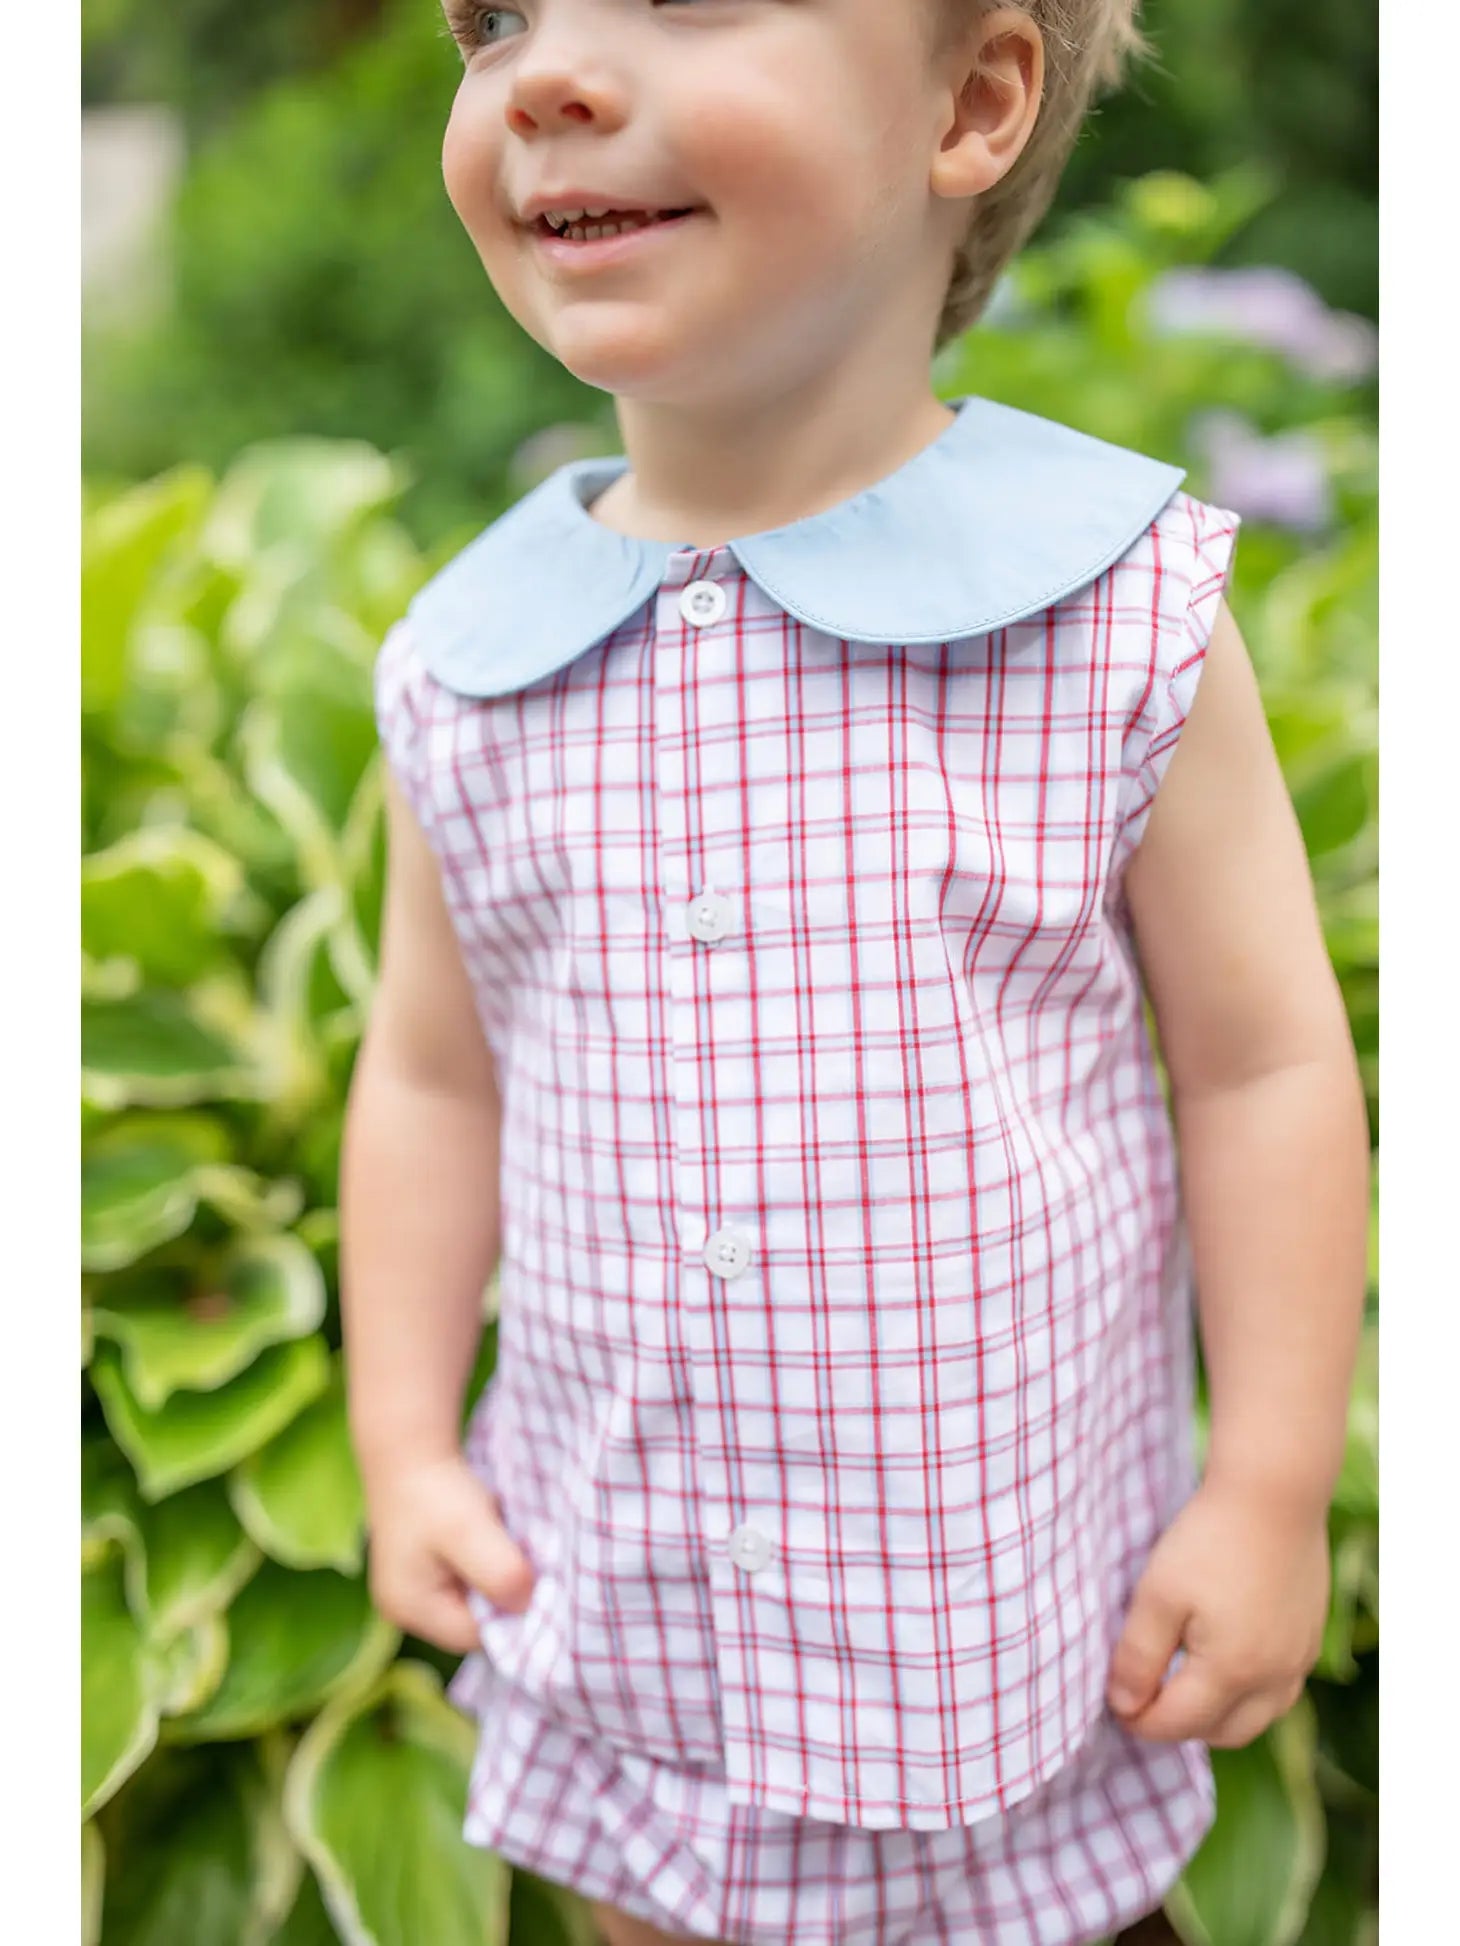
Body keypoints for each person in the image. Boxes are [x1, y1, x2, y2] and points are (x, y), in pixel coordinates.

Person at [338, 2, 1371, 1942]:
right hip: (629, 1647)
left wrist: (1264, 1487)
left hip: (1000, 1657)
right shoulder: (467, 665)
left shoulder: (1109, 612)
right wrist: (401, 1439)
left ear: (972, 99)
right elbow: (431, 1078)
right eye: (494, 18)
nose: (544, 73)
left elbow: (1261, 1069)